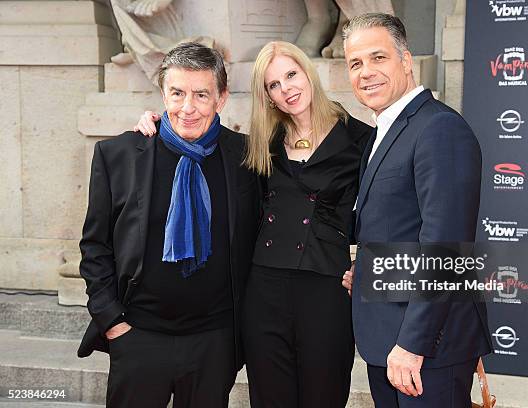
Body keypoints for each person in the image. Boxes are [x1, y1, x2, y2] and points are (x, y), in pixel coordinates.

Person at [135, 40, 372, 408]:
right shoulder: (261, 143)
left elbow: (386, 211)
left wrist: (370, 261)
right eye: (273, 85)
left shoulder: (361, 139)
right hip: (264, 292)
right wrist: (155, 122)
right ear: (267, 96)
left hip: (326, 291)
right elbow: (197, 141)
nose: (286, 89)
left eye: (291, 75)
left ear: (308, 73)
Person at [78, 42, 260, 408]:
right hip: (138, 337)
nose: (187, 107)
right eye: (177, 93)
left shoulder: (248, 157)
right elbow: (95, 247)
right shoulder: (119, 155)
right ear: (163, 93)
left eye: (201, 94)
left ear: (221, 98)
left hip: (214, 342)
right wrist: (113, 323)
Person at [341, 13, 492, 408]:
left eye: (378, 58)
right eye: (355, 63)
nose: (366, 72)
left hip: (425, 349)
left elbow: (445, 247)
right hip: (386, 341)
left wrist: (412, 344)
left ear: (406, 60)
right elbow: (400, 225)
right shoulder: (383, 132)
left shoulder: (439, 129)